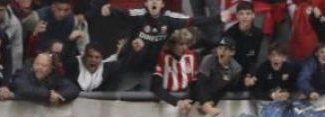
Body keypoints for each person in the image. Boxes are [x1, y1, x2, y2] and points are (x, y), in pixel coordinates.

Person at [95, 0, 229, 91]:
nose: (154, 2)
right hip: (129, 70)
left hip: (150, 72)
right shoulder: (139, 15)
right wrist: (109, 10)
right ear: (146, 3)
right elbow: (123, 13)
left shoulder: (169, 19)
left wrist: (217, 18)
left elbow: (193, 20)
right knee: (116, 101)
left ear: (162, 4)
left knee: (148, 105)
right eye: (150, 0)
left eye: (157, 0)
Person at [151, 28, 197, 112]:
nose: (184, 47)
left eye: (186, 44)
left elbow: (195, 84)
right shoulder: (162, 56)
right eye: (181, 44)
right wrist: (176, 102)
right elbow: (155, 86)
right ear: (172, 44)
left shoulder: (191, 56)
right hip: (167, 101)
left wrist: (188, 100)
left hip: (186, 103)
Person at [196, 36, 243, 116]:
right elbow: (201, 83)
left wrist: (213, 101)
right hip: (200, 93)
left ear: (232, 52)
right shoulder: (208, 59)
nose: (221, 52)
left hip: (216, 93)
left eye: (225, 49)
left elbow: (226, 88)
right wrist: (205, 103)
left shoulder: (236, 69)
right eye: (220, 48)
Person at [11, 52, 79, 104]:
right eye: (37, 64)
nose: (39, 68)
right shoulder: (23, 73)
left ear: (51, 69)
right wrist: (48, 94)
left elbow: (72, 88)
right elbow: (23, 89)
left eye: (44, 65)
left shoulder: (55, 76)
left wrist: (59, 96)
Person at [223, 1, 263, 91]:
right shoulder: (229, 34)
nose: (245, 17)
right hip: (232, 70)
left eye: (248, 14)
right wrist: (242, 78)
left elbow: (254, 57)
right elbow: (226, 61)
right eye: (241, 14)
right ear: (237, 16)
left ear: (253, 15)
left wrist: (251, 75)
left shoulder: (258, 33)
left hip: (248, 69)